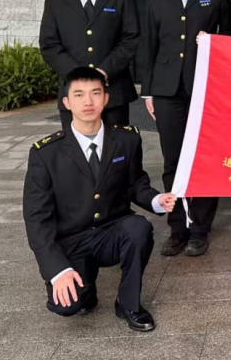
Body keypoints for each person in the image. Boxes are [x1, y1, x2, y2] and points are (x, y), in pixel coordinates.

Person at [23, 67, 177, 331]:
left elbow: (135, 184)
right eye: (79, 94)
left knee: (139, 228)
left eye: (95, 93)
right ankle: (85, 286)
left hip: (110, 232)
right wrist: (57, 270)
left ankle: (128, 303)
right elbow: (37, 220)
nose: (88, 101)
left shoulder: (127, 139)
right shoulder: (46, 153)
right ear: (66, 102)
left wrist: (156, 200)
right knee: (69, 306)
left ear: (106, 98)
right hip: (71, 240)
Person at [143, 0, 231, 258]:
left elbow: (230, 37)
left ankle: (199, 228)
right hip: (167, 90)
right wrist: (148, 92)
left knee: (204, 157)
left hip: (206, 86)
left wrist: (211, 40)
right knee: (173, 159)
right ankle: (177, 228)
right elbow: (148, 46)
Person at [39, 0, 140, 132]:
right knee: (75, 148)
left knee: (115, 146)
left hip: (113, 91)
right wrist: (78, 75)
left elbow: (131, 38)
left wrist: (104, 70)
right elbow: (49, 45)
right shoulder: (56, 0)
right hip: (73, 92)